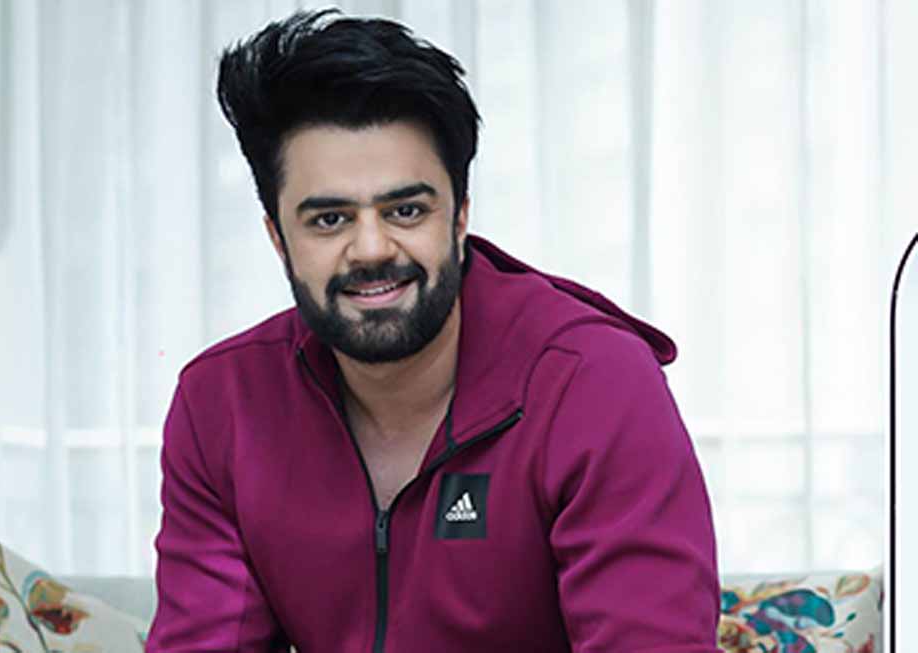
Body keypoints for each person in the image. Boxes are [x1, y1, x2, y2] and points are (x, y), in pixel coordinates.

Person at [145, 9, 722, 653]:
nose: (371, 248)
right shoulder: (222, 404)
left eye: (406, 210)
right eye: (330, 219)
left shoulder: (593, 382)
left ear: (460, 216)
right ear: (278, 238)